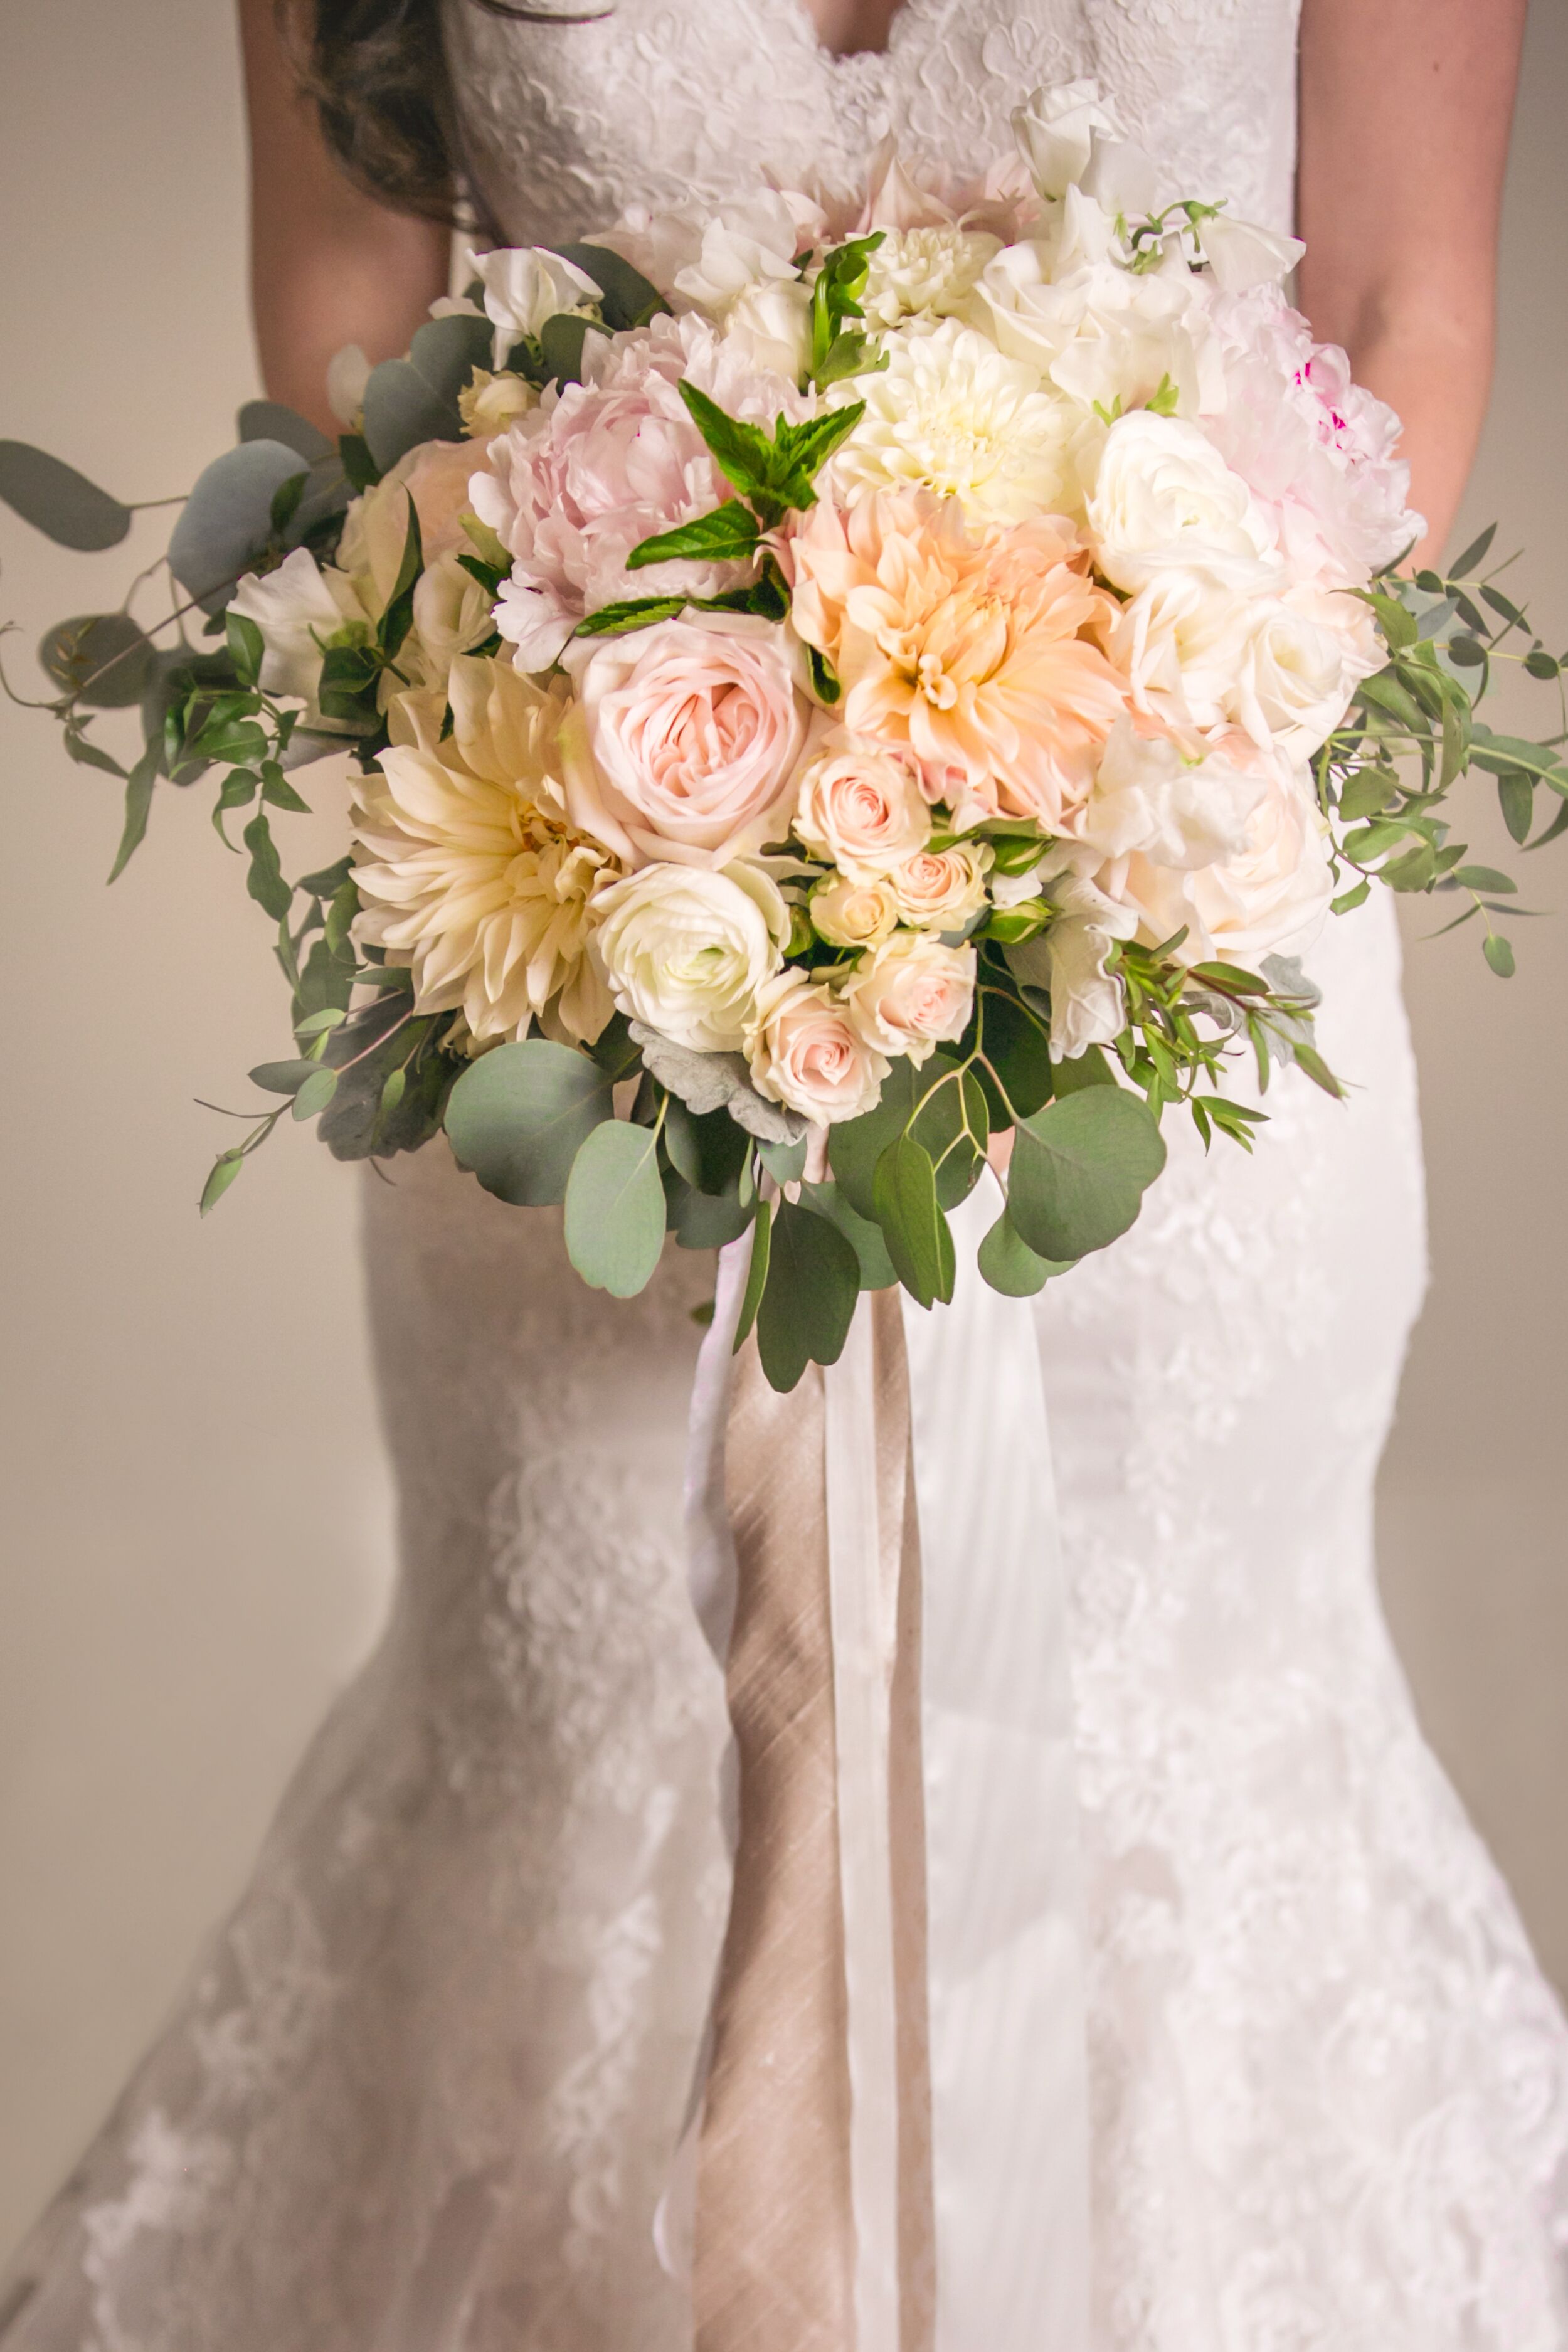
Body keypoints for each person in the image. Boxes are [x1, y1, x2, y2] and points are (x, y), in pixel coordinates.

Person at [3, 2, 1565, 2346]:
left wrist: (1075, 781)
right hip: (576, 956)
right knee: (576, 1767)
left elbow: (1385, 309)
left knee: (1188, 1755)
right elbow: (346, 304)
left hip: (1172, 929)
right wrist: (589, 714)